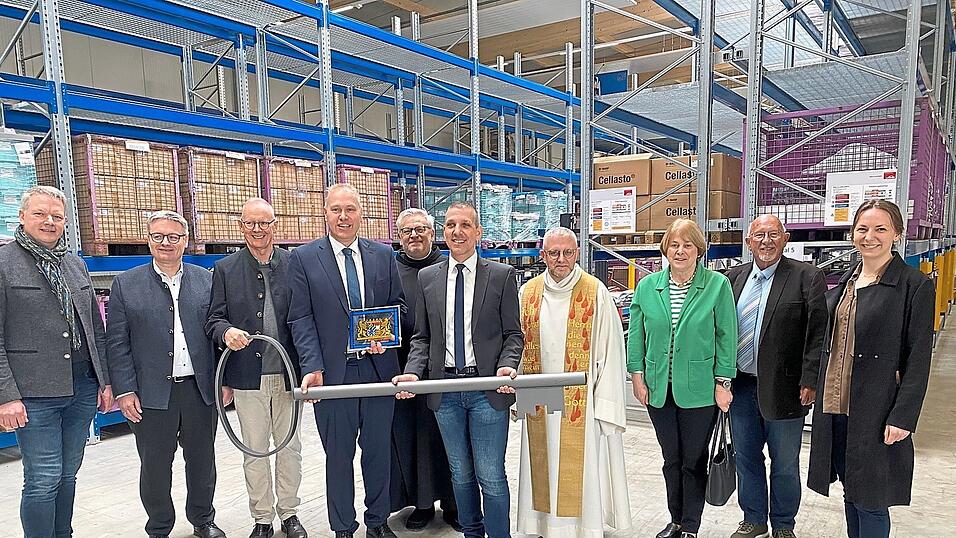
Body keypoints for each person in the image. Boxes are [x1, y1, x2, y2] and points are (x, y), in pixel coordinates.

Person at [392, 201, 523, 538]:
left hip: (486, 391)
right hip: (445, 390)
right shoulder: (428, 278)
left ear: (478, 232)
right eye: (451, 225)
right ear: (444, 233)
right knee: (459, 472)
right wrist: (413, 372)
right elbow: (422, 337)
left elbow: (513, 335)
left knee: (491, 474)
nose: (457, 231)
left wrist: (507, 367)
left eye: (465, 225)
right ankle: (472, 533)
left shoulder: (501, 275)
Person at [808, 199, 934, 538]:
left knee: (872, 499)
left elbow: (919, 356)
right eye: (862, 229)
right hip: (838, 406)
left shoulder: (914, 285)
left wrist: (903, 416)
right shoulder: (846, 283)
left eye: (880, 229)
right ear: (852, 235)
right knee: (851, 491)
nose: (870, 236)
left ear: (897, 233)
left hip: (877, 409)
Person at [288, 183, 405, 538]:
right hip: (333, 374)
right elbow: (300, 318)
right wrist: (312, 366)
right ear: (325, 214)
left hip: (377, 370)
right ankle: (342, 527)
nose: (343, 216)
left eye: (350, 209)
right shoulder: (304, 258)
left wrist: (385, 336)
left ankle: (378, 522)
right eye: (336, 209)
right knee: (338, 458)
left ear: (361, 214)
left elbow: (398, 305)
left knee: (377, 453)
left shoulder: (383, 255)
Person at [0, 185, 113, 538]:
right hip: (33, 393)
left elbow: (94, 327)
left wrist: (104, 380)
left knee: (67, 473)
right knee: (43, 477)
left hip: (81, 387)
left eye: (57, 216)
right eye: (39, 214)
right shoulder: (4, 264)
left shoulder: (73, 263)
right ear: (22, 217)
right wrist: (6, 395)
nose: (49, 222)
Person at [107, 210, 225, 538]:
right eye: (158, 236)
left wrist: (223, 381)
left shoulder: (207, 280)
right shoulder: (126, 284)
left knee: (203, 462)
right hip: (151, 394)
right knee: (156, 467)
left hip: (200, 390)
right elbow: (117, 344)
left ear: (186, 241)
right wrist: (125, 390)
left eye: (174, 237)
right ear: (148, 240)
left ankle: (203, 519)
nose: (166, 243)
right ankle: (159, 526)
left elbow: (218, 333)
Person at [515, 227, 631, 538]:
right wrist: (517, 394)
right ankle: (542, 524)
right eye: (553, 253)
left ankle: (581, 528)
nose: (561, 259)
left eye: (567, 252)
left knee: (579, 463)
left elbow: (611, 350)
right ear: (543, 256)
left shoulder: (595, 292)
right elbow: (516, 346)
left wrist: (605, 400)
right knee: (541, 457)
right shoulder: (527, 293)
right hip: (539, 394)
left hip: (583, 397)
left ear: (577, 253)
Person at [627, 218, 737, 538]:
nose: (680, 250)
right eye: (674, 244)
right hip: (659, 387)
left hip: (700, 390)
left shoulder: (716, 285)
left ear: (698, 250)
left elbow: (726, 336)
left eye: (687, 245)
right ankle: (675, 520)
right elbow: (637, 336)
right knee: (670, 459)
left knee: (693, 460)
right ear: (665, 249)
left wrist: (723, 382)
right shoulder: (649, 287)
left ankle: (690, 525)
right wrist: (637, 376)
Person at [205, 198, 307, 538]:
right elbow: (214, 320)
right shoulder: (225, 269)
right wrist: (226, 332)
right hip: (249, 379)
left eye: (264, 223)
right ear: (241, 226)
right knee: (255, 450)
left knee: (290, 448)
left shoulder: (295, 264)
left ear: (275, 226)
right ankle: (262, 518)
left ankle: (289, 514)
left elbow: (308, 319)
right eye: (251, 223)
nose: (258, 230)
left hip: (289, 376)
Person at [724, 215, 828, 538]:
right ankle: (753, 518)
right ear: (748, 241)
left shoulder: (806, 277)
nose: (766, 241)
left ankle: (783, 524)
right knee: (746, 456)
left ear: (785, 238)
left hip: (786, 389)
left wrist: (810, 379)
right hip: (741, 387)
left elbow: (818, 333)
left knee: (784, 462)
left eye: (773, 234)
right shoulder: (732, 279)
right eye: (759, 235)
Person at [389, 208, 459, 532]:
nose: (414, 235)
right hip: (403, 370)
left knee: (451, 439)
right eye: (407, 231)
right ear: (399, 237)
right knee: (415, 440)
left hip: (446, 370)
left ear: (433, 234)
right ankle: (422, 503)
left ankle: (455, 503)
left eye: (421, 229)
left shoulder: (449, 269)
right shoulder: (389, 270)